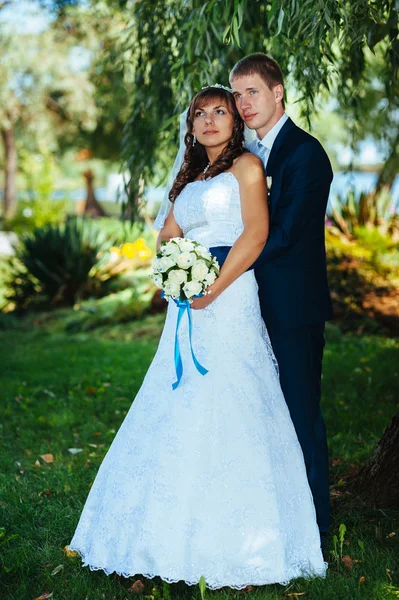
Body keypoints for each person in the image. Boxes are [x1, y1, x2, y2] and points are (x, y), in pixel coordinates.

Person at [69, 86, 327, 589]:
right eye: (200, 114)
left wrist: (212, 287)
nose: (209, 121)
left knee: (234, 396)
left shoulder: (247, 168)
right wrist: (174, 273)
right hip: (187, 303)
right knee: (176, 397)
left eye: (220, 113)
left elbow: (255, 234)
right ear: (190, 126)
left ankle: (246, 535)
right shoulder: (189, 175)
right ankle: (161, 529)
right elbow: (168, 232)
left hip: (230, 296)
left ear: (236, 123)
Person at [227, 53, 334, 551]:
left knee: (299, 413)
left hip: (292, 310)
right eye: (237, 94)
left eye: (253, 92)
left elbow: (286, 233)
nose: (243, 103)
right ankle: (269, 516)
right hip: (247, 307)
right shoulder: (242, 154)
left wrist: (218, 258)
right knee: (257, 412)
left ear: (278, 92)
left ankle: (315, 525)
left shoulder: (305, 154)